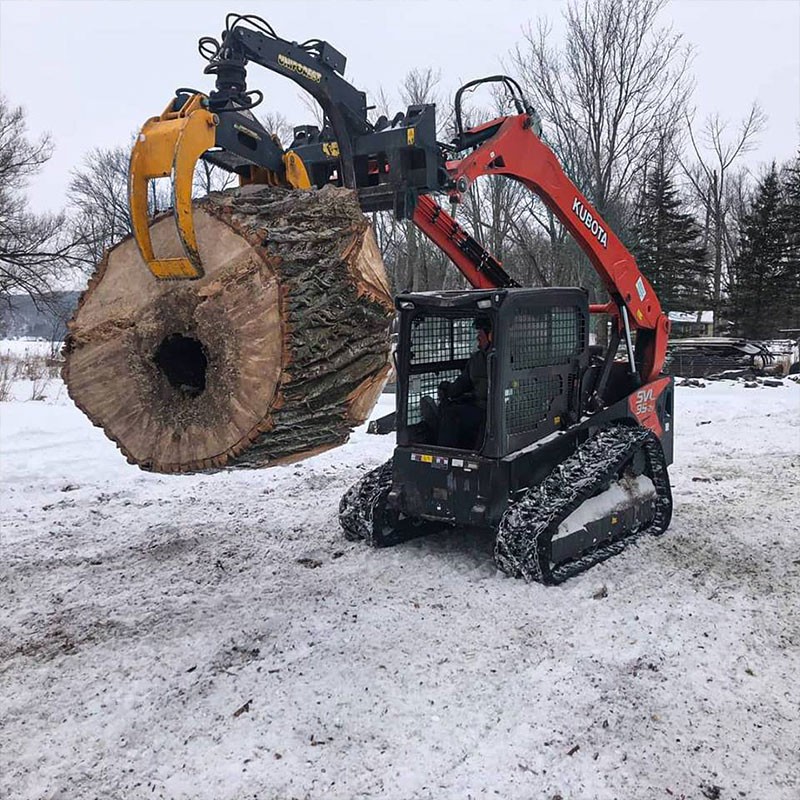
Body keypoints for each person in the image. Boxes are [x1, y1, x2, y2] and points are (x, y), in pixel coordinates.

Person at [425, 316, 492, 449]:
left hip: (494, 411)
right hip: (479, 406)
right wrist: (447, 389)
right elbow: (463, 382)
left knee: (454, 415)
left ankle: (447, 451)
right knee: (452, 408)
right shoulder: (477, 359)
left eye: (480, 334)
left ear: (491, 336)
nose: (477, 338)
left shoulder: (505, 358)